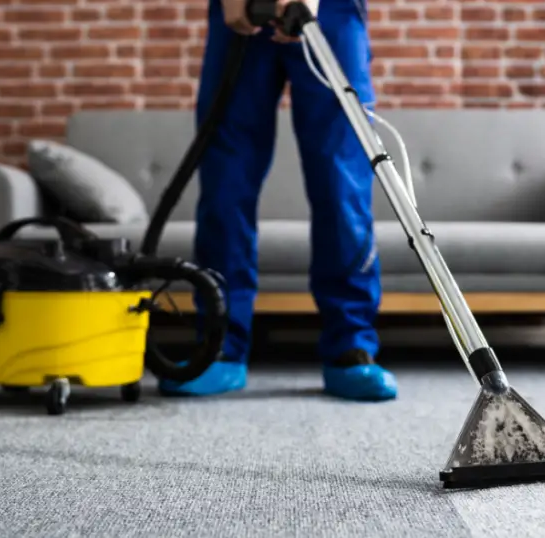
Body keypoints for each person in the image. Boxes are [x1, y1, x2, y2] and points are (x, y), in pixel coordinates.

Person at [157, 0, 397, 401]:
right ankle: (220, 348)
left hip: (332, 12)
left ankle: (350, 349)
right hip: (240, 12)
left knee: (342, 188)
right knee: (225, 186)